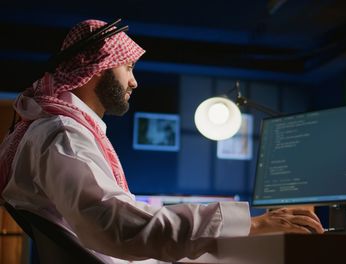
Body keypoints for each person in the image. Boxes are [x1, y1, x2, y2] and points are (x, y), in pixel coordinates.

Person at [0, 19, 324, 263]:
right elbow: (117, 227)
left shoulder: (58, 129)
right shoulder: (63, 135)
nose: (134, 81)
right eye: (127, 67)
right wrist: (252, 225)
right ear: (97, 68)